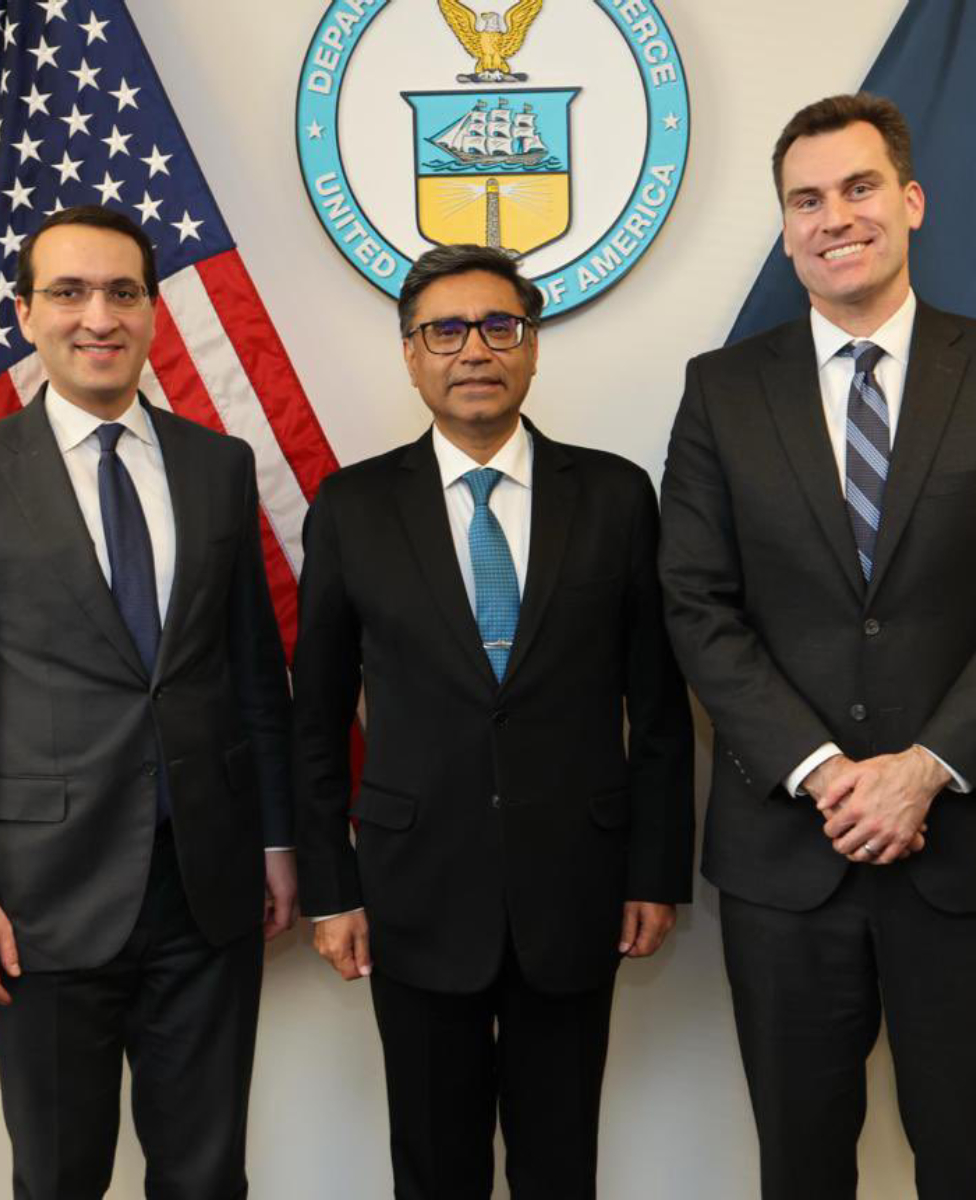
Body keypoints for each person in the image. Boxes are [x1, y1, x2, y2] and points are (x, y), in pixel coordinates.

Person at [658, 93, 976, 1199]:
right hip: (785, 860)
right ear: (785, 227)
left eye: (858, 188)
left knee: (968, 1165)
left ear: (910, 201)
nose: (834, 217)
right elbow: (697, 605)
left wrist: (922, 771)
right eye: (805, 199)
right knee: (799, 1169)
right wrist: (823, 772)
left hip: (968, 849)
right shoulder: (720, 391)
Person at [0, 204, 296, 1199]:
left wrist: (277, 839)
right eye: (68, 292)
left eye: (122, 291)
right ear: (26, 313)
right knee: (59, 1176)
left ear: (153, 308)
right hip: (39, 903)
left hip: (207, 891)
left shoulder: (218, 465)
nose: (98, 316)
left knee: (206, 1177)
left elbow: (252, 673)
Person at [293, 244, 694, 1200]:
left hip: (578, 889)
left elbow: (659, 707)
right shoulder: (352, 507)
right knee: (436, 1170)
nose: (474, 349)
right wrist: (331, 890)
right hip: (412, 894)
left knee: (561, 1168)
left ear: (532, 346)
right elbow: (315, 719)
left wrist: (654, 872)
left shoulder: (615, 496)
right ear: (411, 355)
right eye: (444, 330)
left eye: (498, 326)